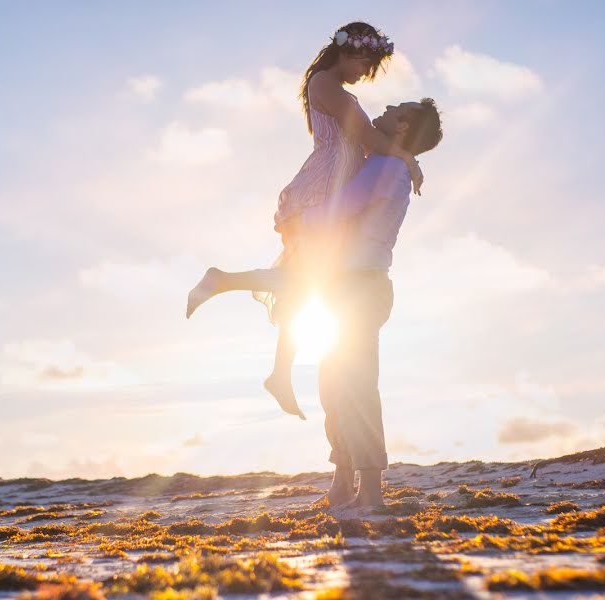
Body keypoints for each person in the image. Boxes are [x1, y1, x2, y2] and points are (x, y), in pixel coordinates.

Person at [186, 22, 422, 420]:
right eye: (366, 64)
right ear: (347, 52)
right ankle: (222, 280)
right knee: (302, 280)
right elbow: (366, 138)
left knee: (303, 283)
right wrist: (408, 157)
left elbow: (365, 138)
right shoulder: (325, 83)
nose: (365, 75)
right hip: (324, 189)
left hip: (334, 186)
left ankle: (279, 373)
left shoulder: (333, 87)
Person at [308, 99, 444, 508]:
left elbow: (343, 209)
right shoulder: (387, 162)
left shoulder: (385, 168)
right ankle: (342, 481)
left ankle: (370, 490)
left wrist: (295, 217)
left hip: (359, 286)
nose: (383, 107)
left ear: (401, 127)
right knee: (335, 384)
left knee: (355, 386)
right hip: (348, 283)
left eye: (394, 108)